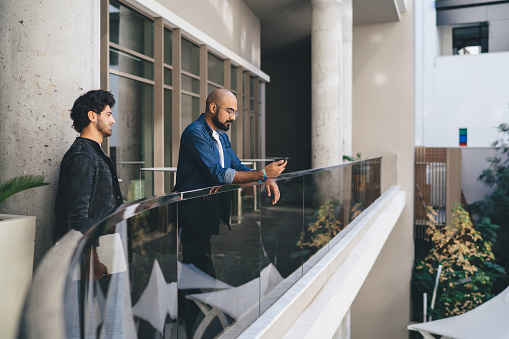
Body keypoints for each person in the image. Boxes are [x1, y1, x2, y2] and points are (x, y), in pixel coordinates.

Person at [173, 88, 286, 336]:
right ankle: (190, 325)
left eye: (235, 112)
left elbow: (234, 165)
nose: (233, 117)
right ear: (213, 107)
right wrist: (263, 174)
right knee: (198, 268)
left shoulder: (221, 136)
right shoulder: (195, 133)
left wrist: (263, 179)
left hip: (208, 210)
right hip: (193, 211)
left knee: (198, 267)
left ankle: (191, 322)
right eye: (230, 111)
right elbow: (218, 174)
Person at [54, 89, 123, 244]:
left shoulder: (92, 152)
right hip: (92, 252)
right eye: (108, 114)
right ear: (92, 116)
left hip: (103, 244)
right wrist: (93, 258)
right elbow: (77, 216)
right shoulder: (83, 156)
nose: (112, 120)